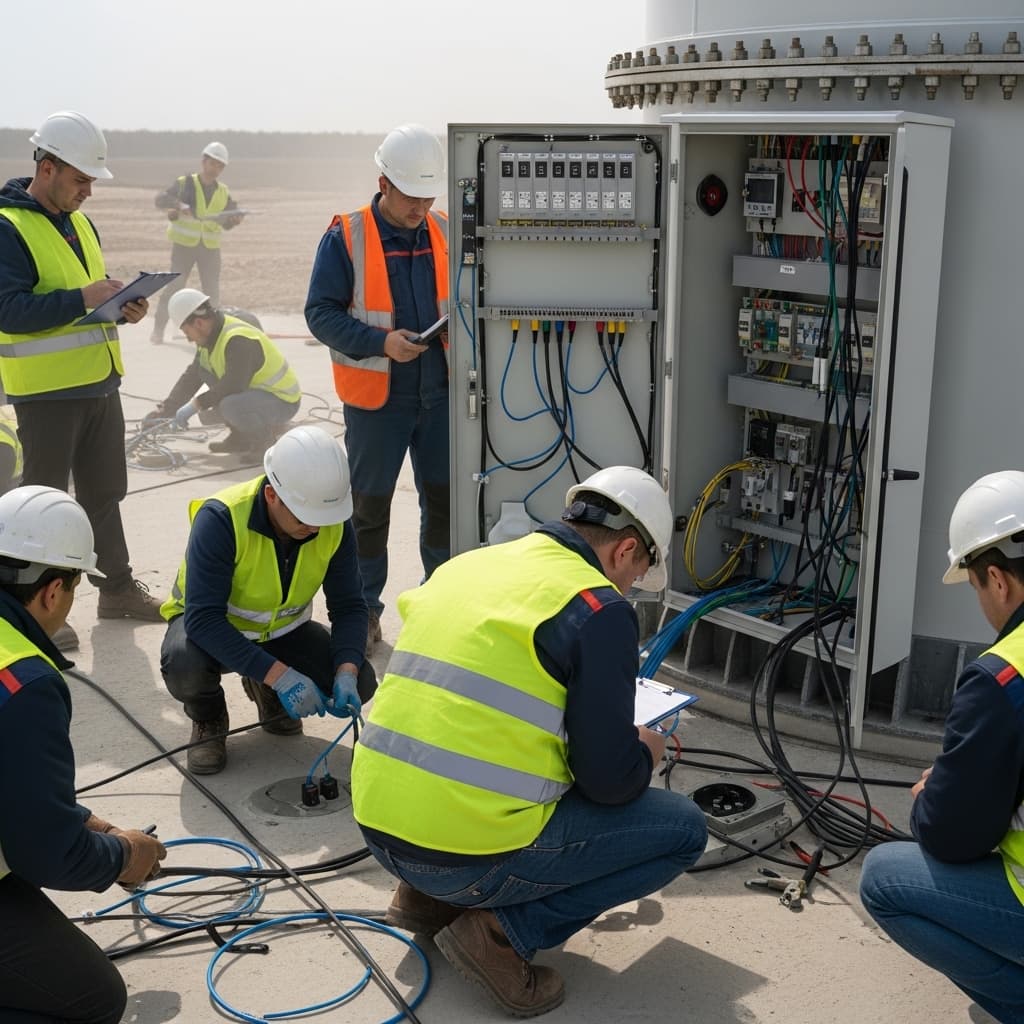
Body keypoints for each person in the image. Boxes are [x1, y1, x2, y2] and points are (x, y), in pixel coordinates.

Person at [350, 466, 708, 1017]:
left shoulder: (466, 566)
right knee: (682, 830)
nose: (630, 587)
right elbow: (608, 782)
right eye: (636, 574)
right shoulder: (597, 608)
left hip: (379, 829)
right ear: (624, 550)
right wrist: (644, 751)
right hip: (462, 858)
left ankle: (424, 900)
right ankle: (501, 933)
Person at [860, 469, 1024, 1024]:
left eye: (976, 588)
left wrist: (938, 795)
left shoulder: (1002, 677)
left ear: (997, 581)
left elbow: (952, 836)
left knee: (884, 879)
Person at [0, 485, 166, 1023]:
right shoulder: (23, 682)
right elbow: (47, 854)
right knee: (91, 1000)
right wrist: (124, 856)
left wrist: (87, 823)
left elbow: (14, 786)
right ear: (53, 592)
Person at [0, 110, 165, 651]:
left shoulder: (80, 224)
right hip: (46, 391)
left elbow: (86, 301)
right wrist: (84, 298)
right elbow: (9, 311)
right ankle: (33, 610)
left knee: (104, 493)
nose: (88, 191)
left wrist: (122, 308)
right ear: (46, 168)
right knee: (43, 502)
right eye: (80, 179)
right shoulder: (7, 227)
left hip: (99, 383)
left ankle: (116, 590)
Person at [305, 123, 450, 655]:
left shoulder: (444, 229)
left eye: (428, 197)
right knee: (367, 513)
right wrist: (380, 343)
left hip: (442, 396)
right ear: (383, 183)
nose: (420, 208)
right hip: (377, 404)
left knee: (446, 506)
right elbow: (320, 313)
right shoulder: (346, 236)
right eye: (411, 197)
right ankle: (362, 611)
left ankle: (441, 605)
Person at [160, 424, 378, 774]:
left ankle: (265, 688)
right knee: (185, 666)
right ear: (272, 495)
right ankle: (209, 718)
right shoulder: (222, 519)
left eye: (322, 518)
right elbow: (204, 620)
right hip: (212, 631)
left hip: (283, 631)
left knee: (364, 680)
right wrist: (282, 677)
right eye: (305, 517)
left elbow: (349, 605)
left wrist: (347, 671)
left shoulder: (332, 523)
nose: (316, 528)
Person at [145, 288, 300, 456]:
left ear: (199, 323)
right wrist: (167, 410)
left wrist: (195, 405)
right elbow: (192, 377)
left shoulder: (238, 339)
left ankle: (265, 444)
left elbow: (233, 385)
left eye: (187, 332)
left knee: (230, 405)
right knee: (206, 377)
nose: (188, 339)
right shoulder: (208, 339)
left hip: (282, 401)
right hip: (255, 396)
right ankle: (240, 439)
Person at [150, 141, 244, 345]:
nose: (216, 168)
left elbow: (227, 220)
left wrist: (234, 220)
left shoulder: (222, 191)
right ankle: (158, 330)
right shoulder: (185, 184)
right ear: (204, 161)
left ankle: (214, 334)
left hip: (210, 248)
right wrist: (178, 204)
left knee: (212, 292)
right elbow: (161, 199)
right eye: (213, 163)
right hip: (184, 246)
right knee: (174, 287)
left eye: (220, 166)